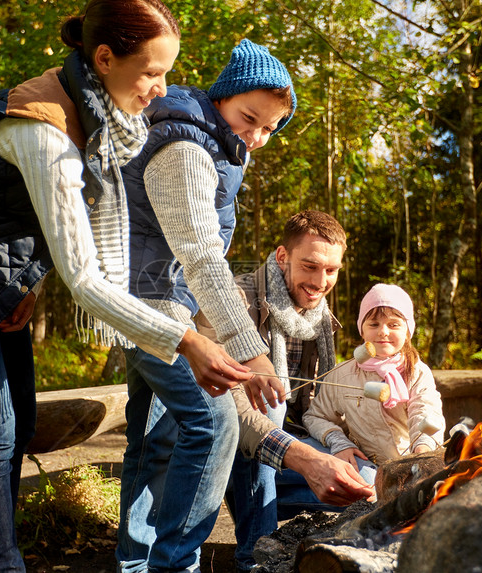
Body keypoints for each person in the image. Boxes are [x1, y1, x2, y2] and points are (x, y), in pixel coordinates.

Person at [0, 2, 256, 570]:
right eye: (151, 72)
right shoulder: (44, 130)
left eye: (167, 73)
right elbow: (85, 277)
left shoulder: (107, 119)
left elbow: (53, 224)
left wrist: (26, 283)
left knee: (21, 425)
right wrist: (186, 340)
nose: (161, 89)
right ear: (104, 58)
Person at [116, 39, 295, 572]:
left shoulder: (217, 148)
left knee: (156, 440)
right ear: (222, 97)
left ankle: (135, 564)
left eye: (270, 128)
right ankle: (176, 566)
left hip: (159, 302)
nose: (257, 136)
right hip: (148, 309)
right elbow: (201, 257)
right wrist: (252, 352)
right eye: (250, 117)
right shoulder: (187, 150)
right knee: (213, 424)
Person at [208, 210, 376, 572]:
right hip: (229, 454)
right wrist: (308, 461)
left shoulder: (320, 320)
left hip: (287, 453)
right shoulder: (235, 303)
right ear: (282, 256)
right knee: (269, 401)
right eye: (310, 266)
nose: (321, 281)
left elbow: (319, 410)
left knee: (372, 483)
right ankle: (256, 557)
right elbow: (228, 408)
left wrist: (339, 446)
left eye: (331, 270)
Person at [303, 284, 445, 473]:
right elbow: (315, 416)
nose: (383, 332)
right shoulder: (343, 374)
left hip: (407, 461)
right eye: (373, 324)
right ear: (362, 330)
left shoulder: (417, 372)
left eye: (394, 325)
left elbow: (425, 411)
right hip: (362, 464)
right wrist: (339, 443)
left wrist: (422, 451)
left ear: (407, 331)